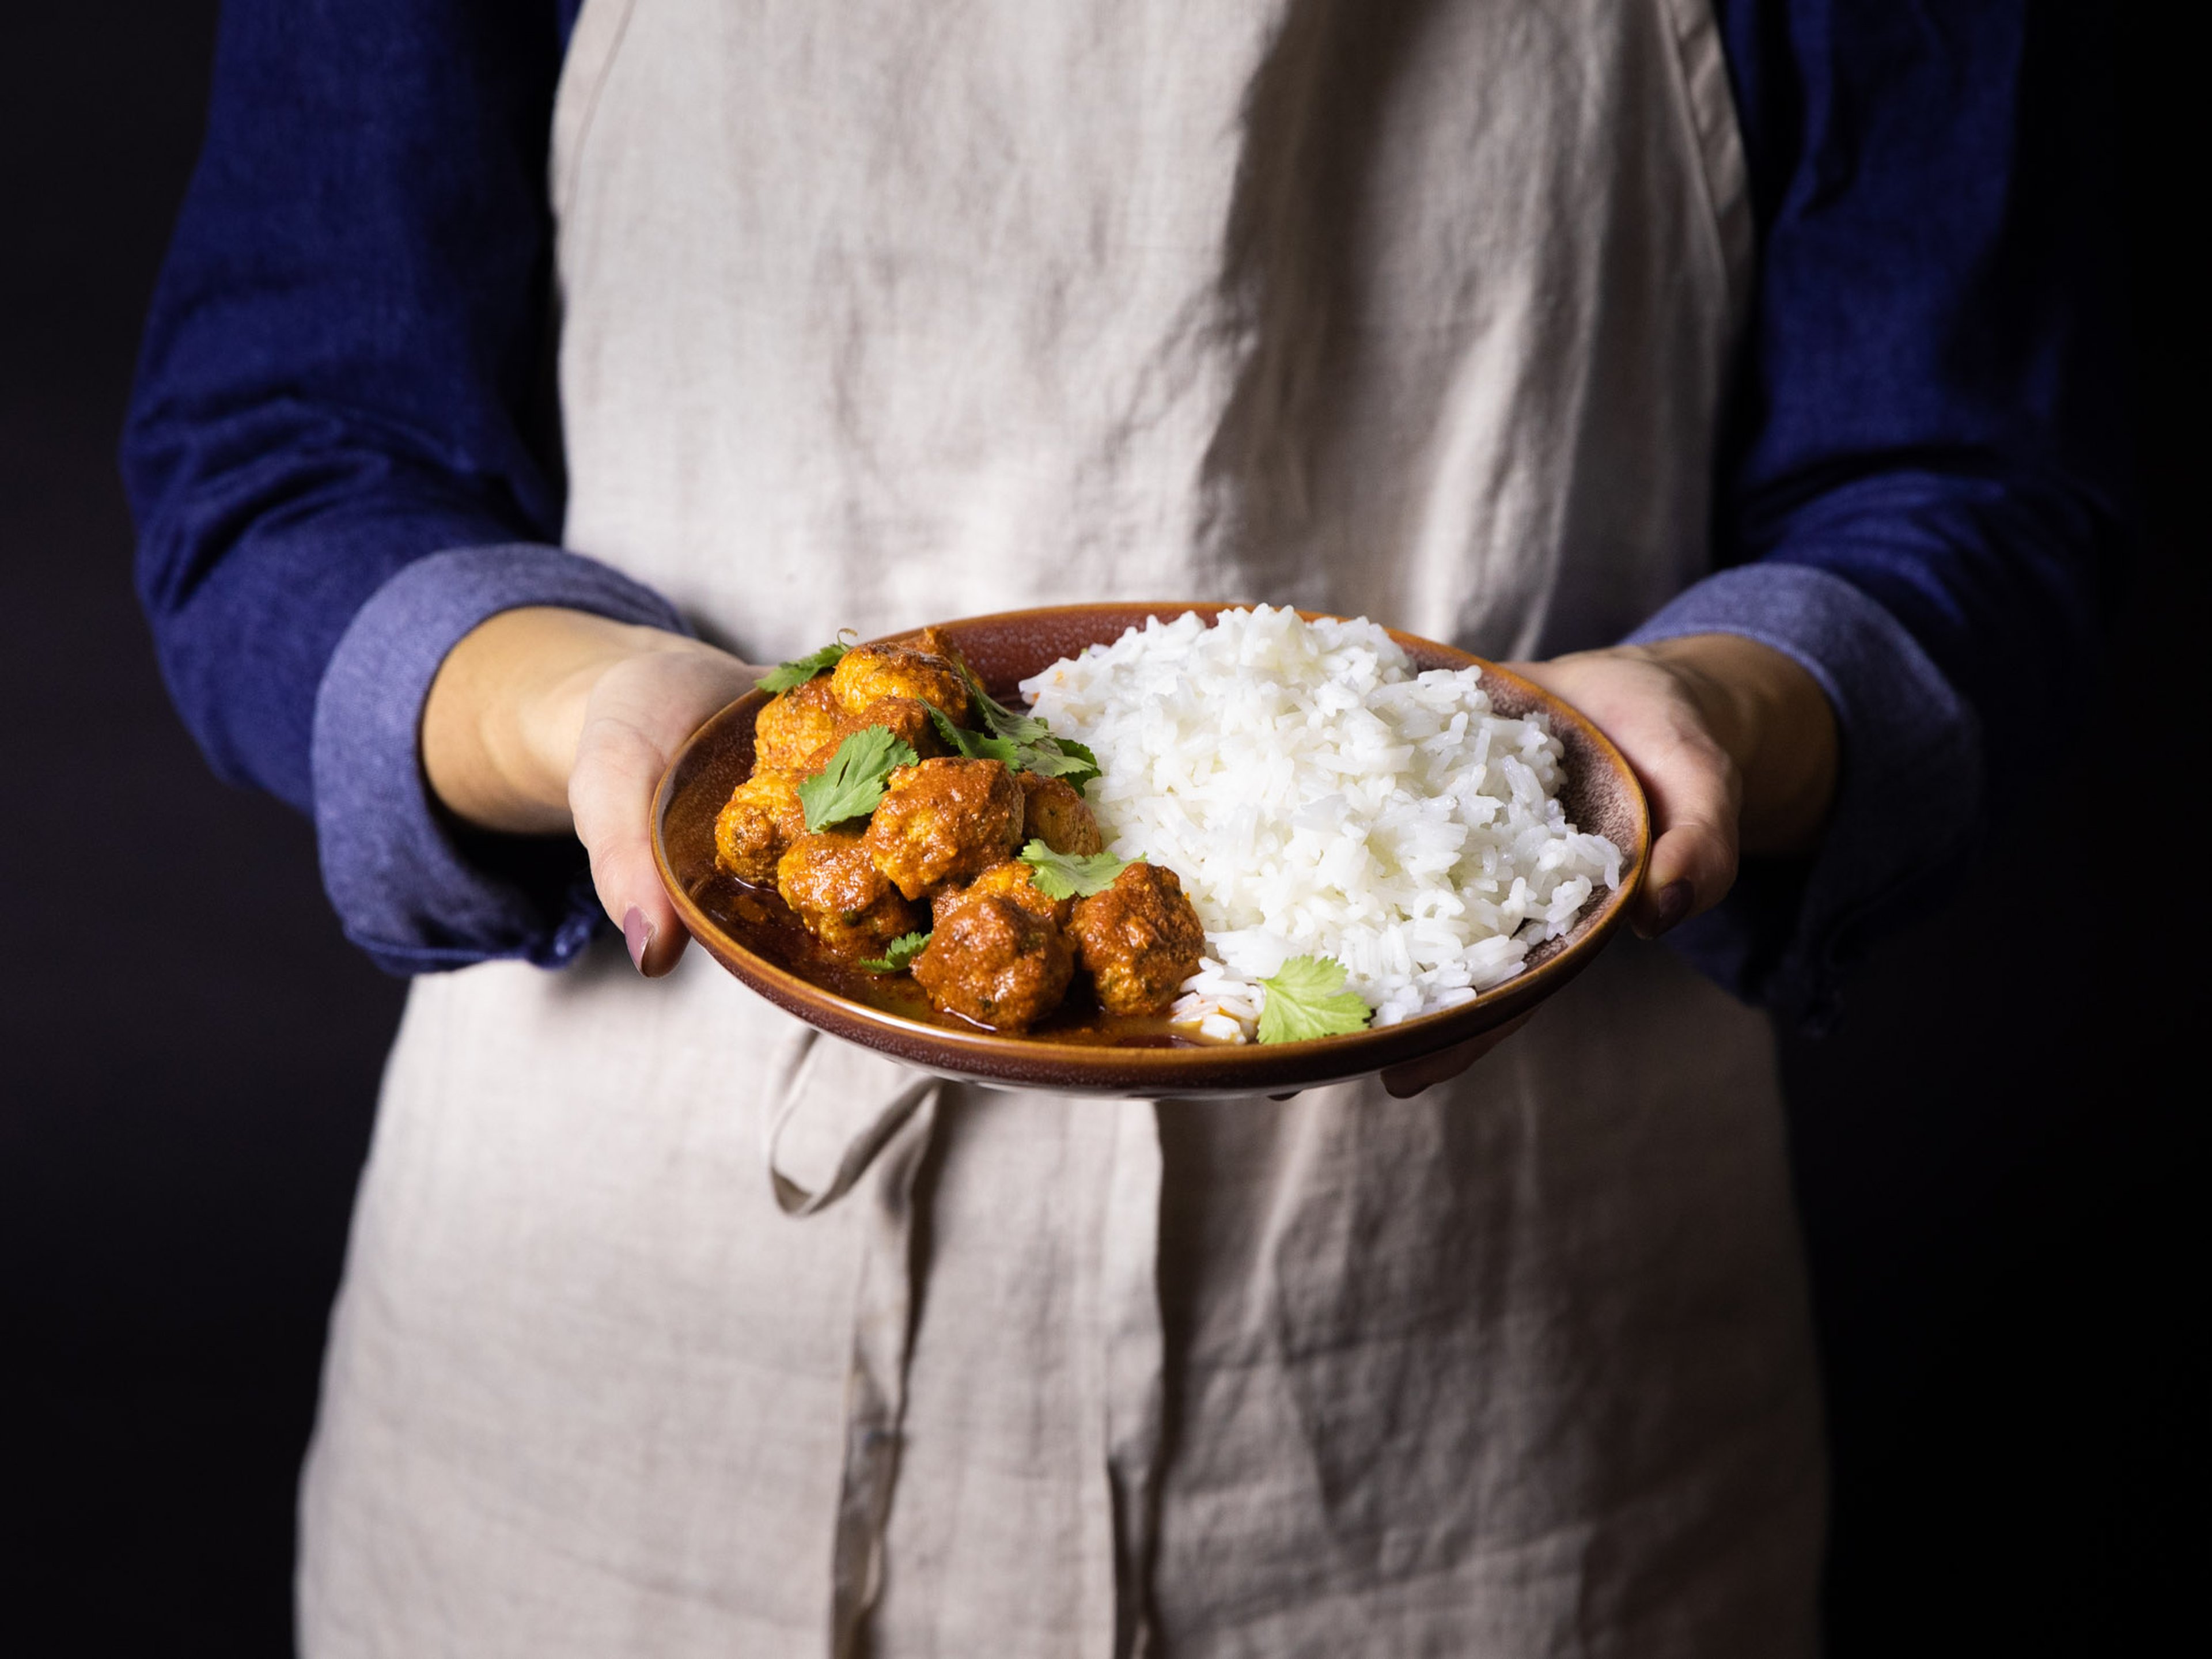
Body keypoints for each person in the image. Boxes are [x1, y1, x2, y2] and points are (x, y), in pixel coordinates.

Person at [125, 1, 2124, 1652]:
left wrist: (1719, 714)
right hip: (614, 1402)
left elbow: (1973, 485)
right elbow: (286, 462)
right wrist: (593, 720)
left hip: (1505, 1428)